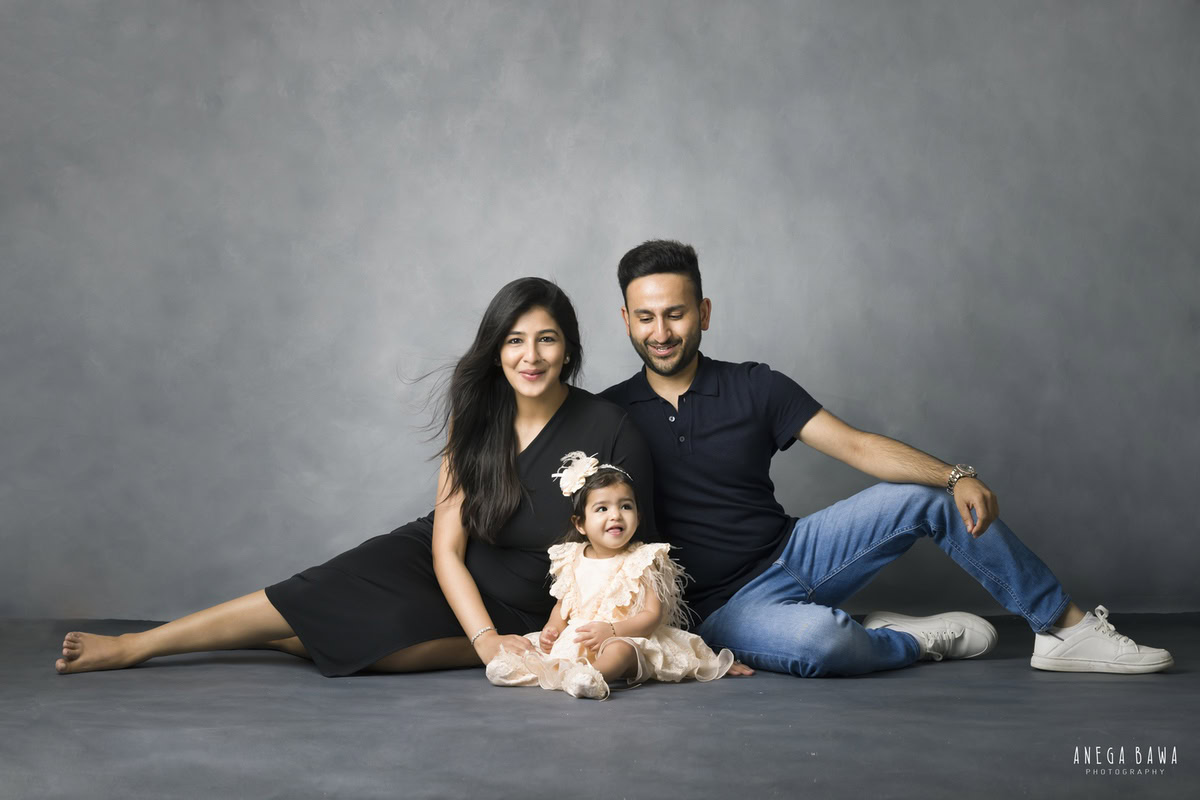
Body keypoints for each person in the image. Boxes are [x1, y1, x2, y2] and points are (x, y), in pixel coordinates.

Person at [600, 240, 1174, 677]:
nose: (661, 332)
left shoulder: (755, 386)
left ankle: (1062, 629)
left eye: (674, 314)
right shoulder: (608, 417)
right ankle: (908, 640)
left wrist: (957, 475)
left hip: (796, 552)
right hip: (721, 607)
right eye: (645, 317)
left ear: (703, 312)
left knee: (927, 495)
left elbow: (855, 445)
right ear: (626, 320)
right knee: (820, 645)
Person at [55, 277, 659, 677]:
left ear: (569, 348)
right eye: (515, 341)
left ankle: (277, 640)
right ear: (495, 350)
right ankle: (139, 645)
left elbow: (633, 550)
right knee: (313, 589)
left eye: (546, 340)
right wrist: (482, 641)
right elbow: (447, 545)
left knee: (385, 647)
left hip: (533, 601)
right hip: (437, 560)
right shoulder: (476, 415)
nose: (530, 356)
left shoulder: (610, 425)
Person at [484, 452, 736, 699]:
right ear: (580, 524)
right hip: (581, 636)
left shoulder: (643, 559)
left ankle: (592, 675)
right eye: (602, 508)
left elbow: (652, 615)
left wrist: (613, 630)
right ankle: (534, 670)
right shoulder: (571, 558)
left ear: (637, 517)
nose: (615, 515)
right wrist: (552, 629)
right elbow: (563, 607)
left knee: (621, 651)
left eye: (625, 506)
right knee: (538, 647)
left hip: (627, 635)